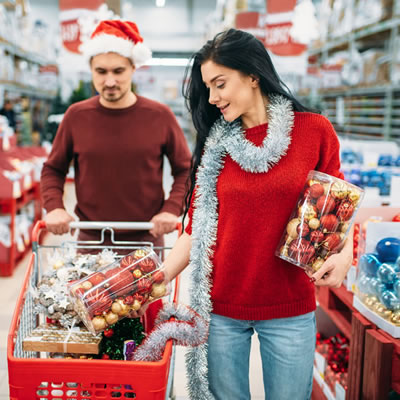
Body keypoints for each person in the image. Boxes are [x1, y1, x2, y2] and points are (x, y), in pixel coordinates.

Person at [161, 29, 354, 400]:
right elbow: (195, 229)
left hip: (289, 307)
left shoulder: (314, 132)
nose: (213, 98)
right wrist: (159, 276)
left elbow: (339, 206)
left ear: (252, 75)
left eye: (220, 84)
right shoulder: (216, 147)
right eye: (208, 88)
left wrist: (344, 255)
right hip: (220, 309)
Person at [40, 20, 191, 248]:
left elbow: (186, 170)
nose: (109, 81)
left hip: (147, 241)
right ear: (91, 70)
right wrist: (55, 207)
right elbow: (53, 168)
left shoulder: (160, 116)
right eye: (101, 71)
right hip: (90, 240)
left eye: (118, 71)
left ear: (133, 68)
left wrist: (171, 209)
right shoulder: (76, 116)